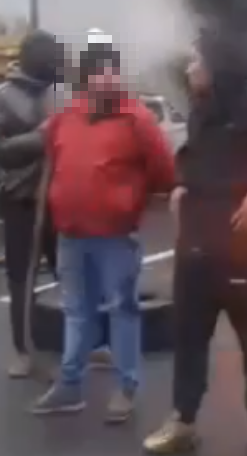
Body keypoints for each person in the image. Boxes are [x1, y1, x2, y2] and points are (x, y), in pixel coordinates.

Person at [142, 46, 247, 456]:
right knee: (189, 337)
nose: (190, 68)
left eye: (198, 60)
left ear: (218, 68)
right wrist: (181, 183)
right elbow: (191, 158)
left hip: (242, 248)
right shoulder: (201, 110)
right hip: (194, 246)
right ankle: (183, 420)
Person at [29, 44, 176, 422]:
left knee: (123, 310)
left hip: (115, 236)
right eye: (100, 71)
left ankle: (126, 387)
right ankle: (70, 386)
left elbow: (163, 170)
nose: (109, 77)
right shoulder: (66, 118)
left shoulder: (137, 119)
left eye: (114, 70)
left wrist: (130, 202)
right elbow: (54, 161)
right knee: (77, 312)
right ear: (86, 79)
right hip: (71, 235)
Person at [0, 30, 64, 378]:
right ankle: (23, 349)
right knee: (22, 279)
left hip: (61, 198)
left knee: (73, 276)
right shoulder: (0, 97)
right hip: (20, 199)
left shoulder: (63, 93)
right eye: (52, 59)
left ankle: (90, 343)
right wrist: (43, 136)